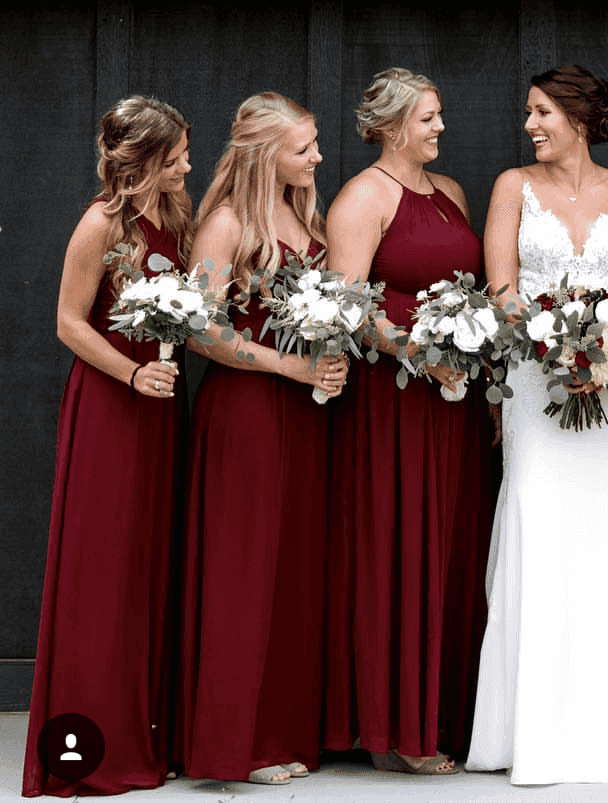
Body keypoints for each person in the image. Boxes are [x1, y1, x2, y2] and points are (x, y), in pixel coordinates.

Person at [465, 64, 608, 785]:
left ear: (579, 119)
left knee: (607, 527)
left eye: (541, 113)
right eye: (529, 113)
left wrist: (604, 345)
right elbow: (499, 289)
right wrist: (551, 341)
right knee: (539, 520)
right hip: (533, 380)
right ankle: (531, 727)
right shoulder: (510, 187)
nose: (529, 125)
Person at [321, 67, 492, 774]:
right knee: (394, 541)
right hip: (390, 401)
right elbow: (348, 306)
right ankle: (394, 724)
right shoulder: (362, 197)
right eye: (428, 118)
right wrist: (420, 352)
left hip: (452, 402)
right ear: (392, 126)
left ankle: (444, 711)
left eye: (439, 114)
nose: (440, 128)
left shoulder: (449, 194)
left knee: (450, 541)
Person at [22, 95, 192, 796]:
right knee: (104, 570)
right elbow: (67, 321)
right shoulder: (101, 222)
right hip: (111, 406)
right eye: (178, 153)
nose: (188, 162)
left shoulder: (173, 217)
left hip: (159, 409)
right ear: (146, 158)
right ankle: (88, 751)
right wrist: (130, 371)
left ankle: (144, 730)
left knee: (148, 564)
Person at [177, 92, 346, 786]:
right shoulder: (226, 224)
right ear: (265, 152)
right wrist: (287, 363)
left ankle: (278, 726)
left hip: (304, 414)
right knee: (244, 570)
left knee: (292, 571)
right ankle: (233, 742)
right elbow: (199, 328)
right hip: (246, 412)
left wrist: (327, 357)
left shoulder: (302, 213)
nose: (317, 157)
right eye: (304, 147)